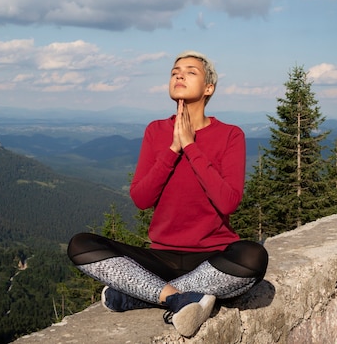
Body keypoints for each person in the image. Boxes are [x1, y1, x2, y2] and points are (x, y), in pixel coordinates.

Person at [68, 51, 268, 338]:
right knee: (80, 245)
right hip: (160, 258)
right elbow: (141, 198)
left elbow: (229, 201)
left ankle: (142, 295)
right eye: (175, 70)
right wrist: (173, 149)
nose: (179, 74)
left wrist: (190, 146)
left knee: (253, 256)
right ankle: (177, 298)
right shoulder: (156, 130)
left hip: (212, 259)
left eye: (190, 71)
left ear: (209, 88)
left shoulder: (230, 135)